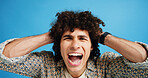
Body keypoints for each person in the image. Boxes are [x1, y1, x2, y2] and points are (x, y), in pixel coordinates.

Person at [0, 11, 148, 78]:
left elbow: (143, 62)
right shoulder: (45, 65)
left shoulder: (106, 66)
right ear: (59, 43)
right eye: (68, 38)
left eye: (83, 38)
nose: (75, 45)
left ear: (92, 45)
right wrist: (53, 34)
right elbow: (4, 58)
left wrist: (103, 37)